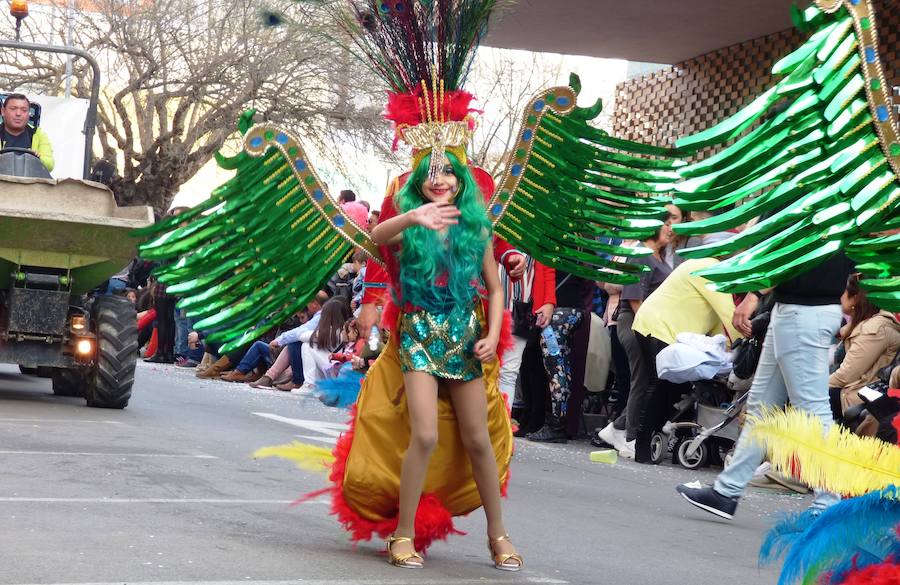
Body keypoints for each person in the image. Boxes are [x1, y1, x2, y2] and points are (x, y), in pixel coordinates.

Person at [370, 149, 521, 571]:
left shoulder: (476, 229)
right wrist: (413, 217)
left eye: (449, 173)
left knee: (478, 440)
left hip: (464, 339)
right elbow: (378, 236)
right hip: (418, 337)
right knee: (425, 436)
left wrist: (492, 334)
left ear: (461, 182)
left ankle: (498, 535)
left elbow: (494, 289)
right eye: (432, 173)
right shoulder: (410, 227)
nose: (441, 180)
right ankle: (402, 534)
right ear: (418, 182)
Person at [677, 252, 855, 519]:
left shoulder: (812, 208)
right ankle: (727, 491)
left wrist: (754, 295)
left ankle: (829, 501)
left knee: (812, 412)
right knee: (764, 409)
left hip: (802, 309)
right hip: (799, 309)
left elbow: (790, 248)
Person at [829, 273, 900, 423]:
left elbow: (846, 375)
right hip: (850, 390)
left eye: (841, 291)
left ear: (854, 298)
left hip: (858, 396)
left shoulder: (875, 329)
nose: (837, 296)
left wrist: (813, 385)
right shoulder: (864, 322)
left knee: (806, 398)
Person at [0, 93, 54, 171]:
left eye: (24, 110)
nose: (18, 114)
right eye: (13, 109)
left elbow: (50, 165)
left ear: (29, 114)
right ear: (3, 111)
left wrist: (37, 158)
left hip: (30, 181)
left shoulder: (38, 134)